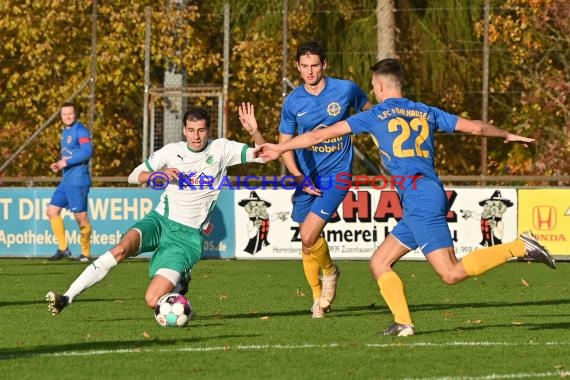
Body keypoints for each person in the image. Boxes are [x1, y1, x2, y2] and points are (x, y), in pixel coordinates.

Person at [255, 58, 556, 335]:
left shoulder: (374, 115)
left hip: (420, 198)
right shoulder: (427, 112)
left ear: (382, 86)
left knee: (450, 273)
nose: (372, 89)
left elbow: (320, 135)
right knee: (379, 262)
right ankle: (403, 322)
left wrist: (280, 148)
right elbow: (476, 128)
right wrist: (506, 135)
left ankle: (520, 246)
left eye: (373, 85)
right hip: (420, 196)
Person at [46, 105, 266, 315]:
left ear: (208, 130)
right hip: (159, 220)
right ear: (184, 130)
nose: (196, 136)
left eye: (200, 130)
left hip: (186, 238)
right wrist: (156, 175)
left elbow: (262, 155)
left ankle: (180, 283)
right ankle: (67, 297)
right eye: (190, 130)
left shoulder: (222, 149)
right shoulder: (172, 151)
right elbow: (133, 176)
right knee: (121, 249)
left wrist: (254, 131)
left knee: (152, 300)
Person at [272, 41, 373, 318]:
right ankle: (317, 299)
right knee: (307, 244)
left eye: (315, 65)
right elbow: (285, 144)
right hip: (307, 179)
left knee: (308, 234)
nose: (310, 71)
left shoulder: (346, 89)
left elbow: (372, 112)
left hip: (337, 176)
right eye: (304, 66)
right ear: (297, 67)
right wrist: (297, 176)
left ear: (325, 64)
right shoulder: (293, 101)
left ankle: (330, 272)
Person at [47, 102, 93, 263]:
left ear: (75, 114)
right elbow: (70, 154)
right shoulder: (65, 131)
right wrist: (59, 163)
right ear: (60, 116)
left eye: (70, 113)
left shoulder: (80, 130)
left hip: (78, 180)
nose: (67, 117)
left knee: (81, 218)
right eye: (64, 114)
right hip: (66, 180)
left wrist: (66, 162)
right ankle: (63, 249)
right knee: (52, 211)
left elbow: (88, 151)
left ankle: (86, 254)